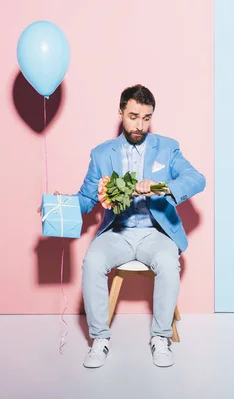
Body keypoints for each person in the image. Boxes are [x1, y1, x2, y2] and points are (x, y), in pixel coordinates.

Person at [42, 84, 205, 368]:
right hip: (117, 232)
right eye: (133, 116)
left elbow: (197, 179)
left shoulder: (167, 148)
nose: (139, 125)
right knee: (92, 261)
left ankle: (160, 338)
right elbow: (86, 198)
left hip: (156, 232)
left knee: (169, 262)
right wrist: (60, 204)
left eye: (146, 117)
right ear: (120, 113)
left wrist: (161, 187)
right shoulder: (102, 154)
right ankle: (100, 340)